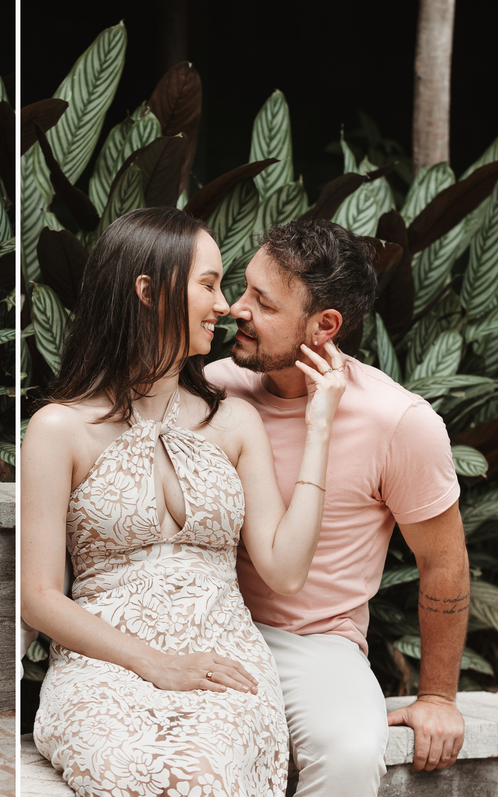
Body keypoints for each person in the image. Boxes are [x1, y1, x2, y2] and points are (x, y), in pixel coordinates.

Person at [20, 207, 347, 797]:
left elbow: (285, 569)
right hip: (104, 668)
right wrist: (156, 663)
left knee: (204, 774)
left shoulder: (235, 422)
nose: (225, 306)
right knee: (136, 774)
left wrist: (319, 426)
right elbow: (40, 597)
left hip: (225, 665)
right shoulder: (58, 429)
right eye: (209, 284)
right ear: (148, 291)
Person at [207, 218, 469, 795]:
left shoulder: (398, 422)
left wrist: (438, 698)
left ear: (324, 326)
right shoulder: (211, 387)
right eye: (245, 287)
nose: (237, 308)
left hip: (315, 643)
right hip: (206, 624)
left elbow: (443, 563)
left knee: (351, 753)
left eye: (264, 304)